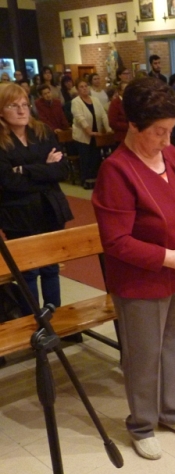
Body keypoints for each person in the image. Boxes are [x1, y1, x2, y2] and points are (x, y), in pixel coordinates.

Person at [92, 77, 175, 460]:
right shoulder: (117, 171)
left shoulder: (171, 156)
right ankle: (142, 424)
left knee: (174, 344)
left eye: (170, 132)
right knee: (144, 354)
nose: (165, 140)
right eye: (158, 132)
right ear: (134, 125)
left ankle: (171, 411)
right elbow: (116, 241)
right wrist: (169, 257)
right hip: (142, 279)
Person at [0, 83, 73, 314]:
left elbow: (63, 169)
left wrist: (25, 170)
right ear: (1, 110)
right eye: (14, 106)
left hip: (50, 209)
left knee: (51, 267)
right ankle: (32, 320)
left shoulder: (42, 131)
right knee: (28, 271)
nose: (22, 110)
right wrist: (45, 169)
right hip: (18, 215)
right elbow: (7, 182)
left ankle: (54, 314)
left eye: (25, 104)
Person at [71, 77, 111, 186]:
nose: (84, 89)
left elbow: (103, 115)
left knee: (96, 157)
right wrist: (89, 132)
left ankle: (96, 180)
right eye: (81, 87)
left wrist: (107, 128)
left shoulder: (95, 100)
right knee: (86, 159)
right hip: (83, 135)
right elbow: (80, 119)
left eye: (85, 86)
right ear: (77, 89)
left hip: (96, 134)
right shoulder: (76, 102)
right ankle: (85, 180)